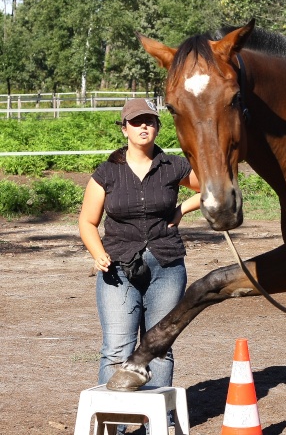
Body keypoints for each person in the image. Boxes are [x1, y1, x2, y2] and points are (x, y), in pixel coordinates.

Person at [79, 98, 201, 396]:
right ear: (124, 129)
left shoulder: (174, 166)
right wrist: (98, 254)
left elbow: (212, 188)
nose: (143, 126)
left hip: (167, 265)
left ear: (158, 127)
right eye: (136, 121)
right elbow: (87, 222)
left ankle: (154, 422)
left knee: (159, 346)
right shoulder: (107, 172)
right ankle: (115, 424)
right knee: (116, 348)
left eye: (149, 121)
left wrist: (182, 208)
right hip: (118, 267)